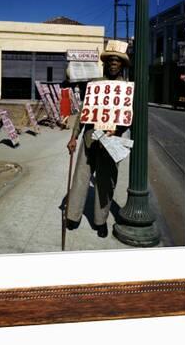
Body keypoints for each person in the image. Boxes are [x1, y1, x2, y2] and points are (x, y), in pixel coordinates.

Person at [65, 41, 130, 238]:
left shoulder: (126, 88)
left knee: (105, 183)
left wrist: (117, 130)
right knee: (80, 180)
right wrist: (73, 137)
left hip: (111, 142)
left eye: (117, 61)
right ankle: (72, 216)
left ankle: (100, 221)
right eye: (110, 60)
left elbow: (128, 117)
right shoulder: (95, 85)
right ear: (105, 63)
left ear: (122, 65)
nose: (113, 64)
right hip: (89, 139)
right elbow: (85, 112)